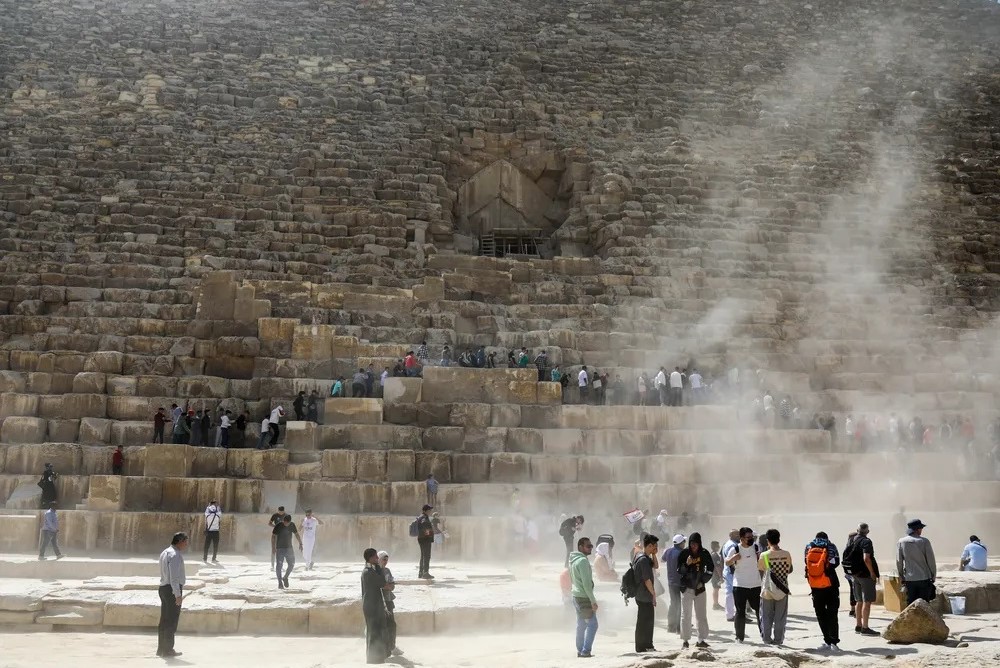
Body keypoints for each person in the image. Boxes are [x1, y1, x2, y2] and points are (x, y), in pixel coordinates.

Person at [804, 531, 842, 651]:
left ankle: (827, 640)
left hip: (815, 585)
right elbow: (836, 562)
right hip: (830, 583)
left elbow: (807, 563)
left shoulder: (809, 546)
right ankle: (834, 642)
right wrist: (826, 567)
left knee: (820, 614)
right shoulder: (831, 546)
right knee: (832, 613)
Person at [677, 531, 712, 649]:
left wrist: (703, 581)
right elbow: (679, 571)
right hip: (686, 588)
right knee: (686, 615)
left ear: (699, 543)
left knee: (701, 615)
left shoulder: (704, 553)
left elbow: (710, 569)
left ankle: (701, 639)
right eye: (692, 543)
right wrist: (686, 564)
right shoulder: (684, 553)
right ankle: (685, 640)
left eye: (696, 543)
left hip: (700, 588)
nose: (693, 545)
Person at [726, 527, 761, 643]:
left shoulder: (756, 547)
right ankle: (739, 637)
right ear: (741, 538)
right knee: (740, 612)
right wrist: (733, 558)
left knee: (759, 611)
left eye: (752, 537)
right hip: (740, 585)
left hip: (755, 584)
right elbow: (727, 562)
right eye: (749, 537)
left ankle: (764, 635)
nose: (751, 539)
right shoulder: (735, 548)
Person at [758, 529, 792, 646]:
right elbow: (790, 569)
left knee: (766, 616)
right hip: (782, 589)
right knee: (780, 617)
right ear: (779, 539)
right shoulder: (786, 554)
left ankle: (767, 639)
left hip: (767, 590)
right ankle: (778, 640)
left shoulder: (764, 555)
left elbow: (761, 571)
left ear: (768, 541)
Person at [845, 522, 879, 636]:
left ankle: (858, 625)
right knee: (867, 601)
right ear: (867, 532)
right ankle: (865, 627)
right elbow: (866, 559)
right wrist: (872, 573)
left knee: (859, 601)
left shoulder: (852, 539)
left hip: (855, 575)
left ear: (857, 530)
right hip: (865, 575)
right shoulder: (866, 541)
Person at [157, 532, 188, 658]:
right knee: (171, 621)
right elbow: (174, 577)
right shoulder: (175, 555)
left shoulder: (165, 552)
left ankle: (161, 649)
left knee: (164, 620)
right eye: (185, 541)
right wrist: (178, 594)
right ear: (180, 541)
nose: (186, 544)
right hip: (171, 590)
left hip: (163, 588)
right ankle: (168, 649)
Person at [569, 536, 599, 658]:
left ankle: (580, 649)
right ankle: (585, 651)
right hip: (583, 597)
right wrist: (593, 601)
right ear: (581, 547)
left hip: (576, 595)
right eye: (588, 546)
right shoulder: (582, 561)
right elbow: (587, 584)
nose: (591, 548)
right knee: (593, 624)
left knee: (581, 624)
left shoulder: (573, 560)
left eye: (591, 545)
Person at [897, 519, 937, 605]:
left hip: (910, 579)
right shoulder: (924, 541)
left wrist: (901, 576)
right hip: (924, 578)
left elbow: (899, 561)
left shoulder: (901, 542)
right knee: (924, 604)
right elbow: (931, 560)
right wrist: (933, 575)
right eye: (921, 528)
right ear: (917, 529)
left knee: (911, 603)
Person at [362, 548, 390, 664]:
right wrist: (379, 567)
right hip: (371, 606)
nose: (377, 559)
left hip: (373, 605)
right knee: (373, 632)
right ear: (370, 558)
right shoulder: (369, 572)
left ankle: (377, 657)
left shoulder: (369, 570)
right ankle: (373, 659)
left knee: (376, 631)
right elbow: (384, 583)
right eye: (375, 557)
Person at [634, 533, 659, 653]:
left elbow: (656, 565)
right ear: (649, 545)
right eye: (654, 546)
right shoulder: (643, 560)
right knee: (647, 621)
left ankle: (641, 646)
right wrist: (653, 594)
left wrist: (654, 554)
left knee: (643, 620)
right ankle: (646, 645)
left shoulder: (642, 556)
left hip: (641, 595)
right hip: (644, 595)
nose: (656, 548)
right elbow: (647, 580)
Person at [662, 534, 685, 634]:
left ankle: (670, 626)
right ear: (681, 543)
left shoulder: (668, 551)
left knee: (673, 603)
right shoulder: (682, 553)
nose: (685, 544)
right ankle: (678, 628)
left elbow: (662, 560)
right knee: (679, 604)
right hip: (680, 582)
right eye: (684, 542)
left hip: (671, 581)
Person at [272, 514, 302, 589]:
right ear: (283, 520)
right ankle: (279, 582)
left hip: (289, 548)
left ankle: (285, 577)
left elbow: (296, 534)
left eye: (287, 523)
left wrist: (300, 543)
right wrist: (273, 547)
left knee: (292, 564)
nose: (286, 524)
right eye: (285, 522)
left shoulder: (292, 525)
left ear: (290, 522)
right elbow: (273, 536)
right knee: (279, 566)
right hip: (280, 548)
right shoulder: (278, 525)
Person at [378, 551, 399, 656]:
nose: (385, 562)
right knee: (383, 626)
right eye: (383, 559)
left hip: (388, 600)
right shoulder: (376, 571)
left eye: (386, 560)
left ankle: (392, 646)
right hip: (380, 601)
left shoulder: (387, 571)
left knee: (392, 624)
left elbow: (391, 584)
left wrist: (389, 586)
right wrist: (385, 586)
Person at [721, 528, 739, 622]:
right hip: (731, 571)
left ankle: (730, 613)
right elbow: (730, 560)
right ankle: (730, 614)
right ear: (731, 535)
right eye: (736, 535)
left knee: (730, 592)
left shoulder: (727, 543)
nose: (739, 536)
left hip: (728, 571)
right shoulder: (732, 545)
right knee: (731, 593)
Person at [416, 504, 435, 579]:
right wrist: (429, 534)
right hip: (425, 539)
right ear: (425, 510)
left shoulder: (421, 517)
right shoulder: (424, 517)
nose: (430, 511)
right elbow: (424, 525)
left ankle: (421, 573)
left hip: (422, 538)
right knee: (426, 556)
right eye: (429, 510)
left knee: (423, 556)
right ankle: (425, 573)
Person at [709, 540, 724, 611]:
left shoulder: (712, 554)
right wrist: (721, 576)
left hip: (714, 574)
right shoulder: (715, 555)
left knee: (716, 589)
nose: (719, 547)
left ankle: (716, 603)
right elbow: (717, 567)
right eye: (718, 546)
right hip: (715, 575)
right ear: (715, 547)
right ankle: (715, 604)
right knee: (716, 589)